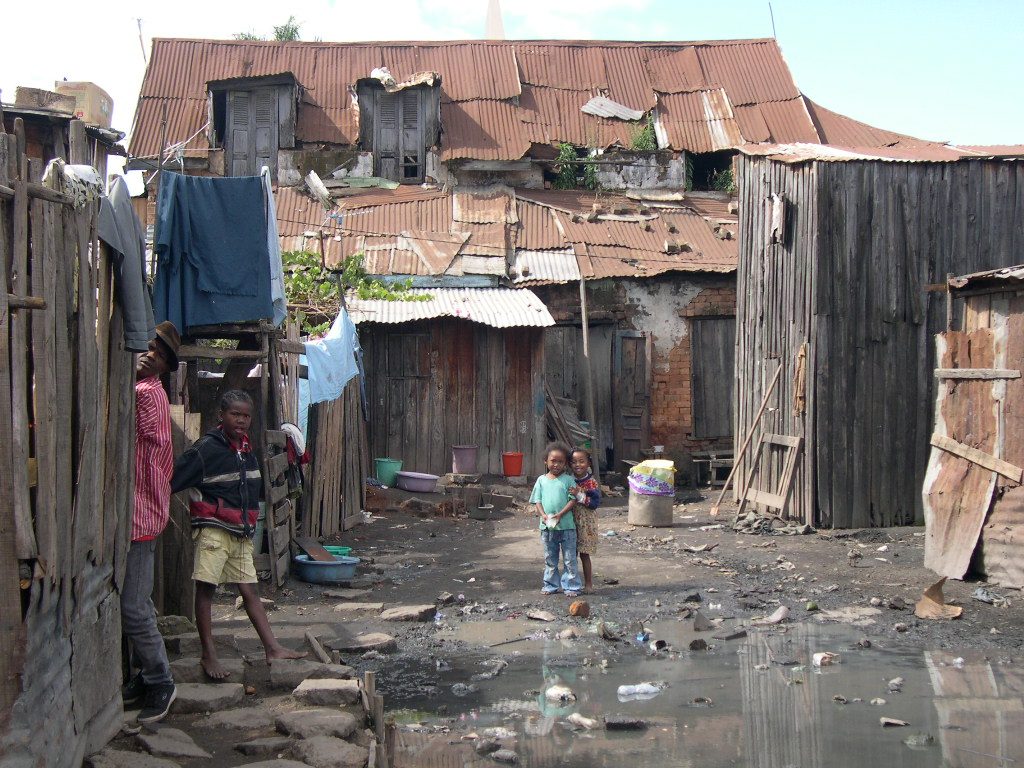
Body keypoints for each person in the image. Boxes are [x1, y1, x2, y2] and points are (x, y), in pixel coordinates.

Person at [171, 389, 305, 679]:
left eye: (246, 415)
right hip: (214, 531)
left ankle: (272, 648)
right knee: (206, 589)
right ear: (222, 416)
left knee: (250, 590)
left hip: (241, 533)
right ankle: (209, 654)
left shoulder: (246, 451)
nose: (241, 420)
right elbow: (172, 478)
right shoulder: (206, 449)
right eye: (235, 414)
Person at [122, 321, 180, 723]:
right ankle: (146, 675)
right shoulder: (147, 390)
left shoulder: (145, 394)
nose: (148, 355)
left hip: (141, 512)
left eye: (157, 354)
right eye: (147, 348)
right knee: (133, 601)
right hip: (139, 511)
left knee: (133, 606)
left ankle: (161, 679)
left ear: (163, 366)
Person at [530, 442, 582, 597]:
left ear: (565, 463)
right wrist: (543, 515)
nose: (556, 465)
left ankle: (571, 586)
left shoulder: (568, 480)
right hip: (547, 528)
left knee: (569, 559)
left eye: (560, 462)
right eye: (553, 461)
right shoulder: (541, 480)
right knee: (550, 559)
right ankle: (551, 585)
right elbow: (537, 500)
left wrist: (560, 514)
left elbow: (573, 500)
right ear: (546, 461)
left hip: (567, 526)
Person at [570, 448, 602, 592]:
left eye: (581, 461)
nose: (578, 465)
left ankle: (588, 584)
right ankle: (571, 583)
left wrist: (579, 495)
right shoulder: (569, 480)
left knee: (584, 553)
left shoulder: (591, 482)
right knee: (570, 554)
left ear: (588, 463)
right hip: (571, 520)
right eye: (574, 462)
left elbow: (594, 503)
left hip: (586, 523)